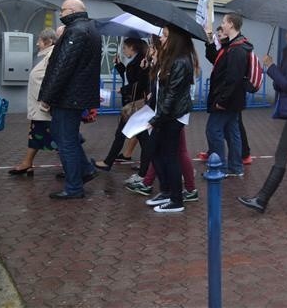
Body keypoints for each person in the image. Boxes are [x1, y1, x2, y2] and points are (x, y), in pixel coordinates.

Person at [238, 31, 287, 213]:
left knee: (281, 153)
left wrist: (271, 67)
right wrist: (274, 70)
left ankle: (262, 198)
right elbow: (279, 84)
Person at [38, 0, 102, 200]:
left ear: (73, 11)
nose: (61, 14)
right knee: (65, 136)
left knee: (65, 141)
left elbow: (62, 68)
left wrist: (47, 97)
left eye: (63, 10)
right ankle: (85, 169)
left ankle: (74, 187)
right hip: (76, 95)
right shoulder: (91, 29)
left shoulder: (75, 31)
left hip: (68, 96)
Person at [143, 25, 199, 213]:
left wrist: (157, 119)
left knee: (170, 156)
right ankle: (166, 191)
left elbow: (172, 95)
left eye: (166, 36)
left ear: (175, 40)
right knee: (155, 151)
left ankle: (176, 199)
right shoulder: (170, 59)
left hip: (173, 116)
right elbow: (161, 89)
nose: (162, 39)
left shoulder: (181, 62)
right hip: (165, 114)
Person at [205, 13, 251, 177]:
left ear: (231, 24)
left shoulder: (237, 49)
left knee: (213, 130)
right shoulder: (232, 45)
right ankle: (235, 167)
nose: (222, 24)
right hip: (233, 100)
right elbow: (215, 59)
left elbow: (233, 78)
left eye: (224, 22)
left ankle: (220, 168)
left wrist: (222, 101)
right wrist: (210, 40)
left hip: (227, 100)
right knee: (232, 132)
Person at [94, 38, 149, 171]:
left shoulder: (141, 61)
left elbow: (140, 83)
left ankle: (109, 162)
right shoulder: (136, 60)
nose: (124, 51)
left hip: (135, 103)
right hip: (133, 103)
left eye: (125, 48)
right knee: (141, 136)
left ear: (132, 47)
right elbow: (131, 77)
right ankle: (148, 165)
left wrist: (124, 90)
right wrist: (119, 65)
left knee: (123, 134)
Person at [9, 28, 58, 175]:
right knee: (36, 134)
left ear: (48, 41)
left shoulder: (52, 55)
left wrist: (46, 101)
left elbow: (53, 80)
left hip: (44, 107)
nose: (37, 43)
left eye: (39, 41)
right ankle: (27, 163)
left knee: (58, 138)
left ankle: (79, 167)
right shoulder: (48, 55)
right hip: (40, 107)